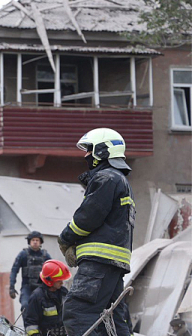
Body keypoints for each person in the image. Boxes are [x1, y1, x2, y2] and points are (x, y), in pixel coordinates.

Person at [58, 128, 135, 336]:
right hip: (113, 263)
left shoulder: (106, 178)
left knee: (77, 312)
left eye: (90, 150)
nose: (86, 155)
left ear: (102, 151)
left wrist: (66, 239)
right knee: (113, 319)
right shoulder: (120, 181)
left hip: (99, 262)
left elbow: (88, 216)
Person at [24, 260, 71, 336]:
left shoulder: (63, 292)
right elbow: (31, 324)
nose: (62, 283)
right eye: (59, 280)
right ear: (50, 280)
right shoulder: (37, 297)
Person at [9, 231, 52, 313]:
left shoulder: (46, 256)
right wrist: (12, 287)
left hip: (42, 288)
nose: (35, 242)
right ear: (29, 242)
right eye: (33, 240)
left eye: (37, 240)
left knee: (47, 308)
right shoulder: (23, 255)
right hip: (27, 287)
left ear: (40, 242)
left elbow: (53, 271)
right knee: (25, 306)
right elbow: (14, 270)